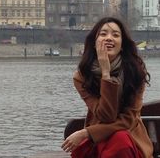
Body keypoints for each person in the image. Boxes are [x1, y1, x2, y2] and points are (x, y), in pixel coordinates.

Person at [61, 17, 153, 158]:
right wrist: (106, 73)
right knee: (116, 141)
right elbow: (106, 115)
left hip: (131, 141)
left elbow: (128, 120)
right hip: (100, 141)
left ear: (122, 45)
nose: (109, 38)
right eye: (103, 34)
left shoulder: (135, 72)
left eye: (115, 35)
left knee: (120, 139)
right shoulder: (81, 77)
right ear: (94, 43)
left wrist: (86, 132)